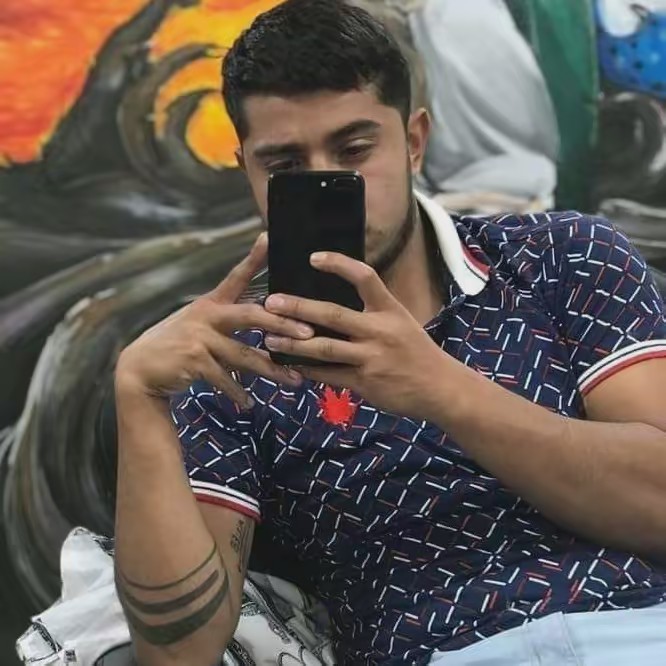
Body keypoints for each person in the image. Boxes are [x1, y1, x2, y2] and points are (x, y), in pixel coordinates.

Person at [112, 0, 666, 664]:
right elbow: (181, 653)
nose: (326, 180)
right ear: (248, 171)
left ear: (413, 141)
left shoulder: (561, 256)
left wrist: (440, 388)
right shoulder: (230, 361)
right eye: (285, 164)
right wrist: (138, 402)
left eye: (354, 149)